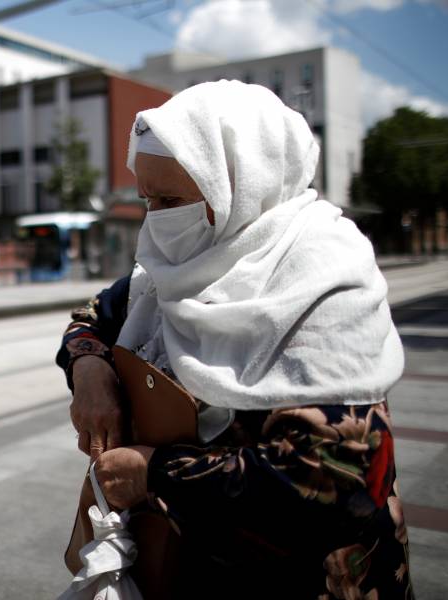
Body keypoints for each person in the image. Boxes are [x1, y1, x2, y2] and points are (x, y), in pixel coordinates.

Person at [56, 81, 413, 598]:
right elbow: (90, 318)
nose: (155, 219)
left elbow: (341, 477)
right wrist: (91, 372)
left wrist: (153, 474)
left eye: (171, 199)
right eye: (147, 199)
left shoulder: (322, 276)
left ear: (241, 185)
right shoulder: (164, 274)